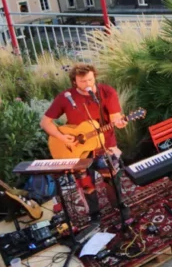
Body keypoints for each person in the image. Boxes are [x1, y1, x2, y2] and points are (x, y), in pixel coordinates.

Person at [42, 64, 128, 219]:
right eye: (82, 81)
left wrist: (120, 122)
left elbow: (116, 117)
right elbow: (45, 122)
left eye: (90, 79)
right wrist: (62, 137)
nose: (87, 84)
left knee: (112, 178)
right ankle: (94, 213)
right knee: (86, 184)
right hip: (77, 148)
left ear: (94, 76)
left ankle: (119, 205)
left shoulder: (107, 92)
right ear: (74, 81)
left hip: (105, 144)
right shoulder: (66, 97)